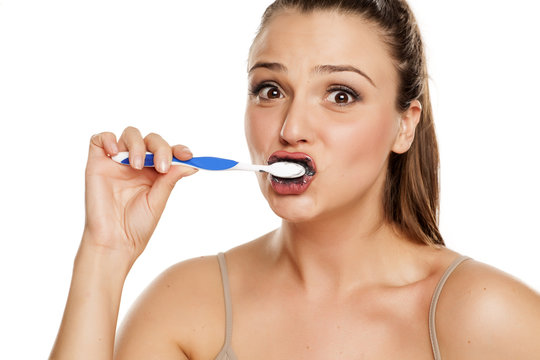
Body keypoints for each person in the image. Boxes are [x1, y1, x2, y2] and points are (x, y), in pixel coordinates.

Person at [50, 0, 540, 359]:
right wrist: (104, 254)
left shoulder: (487, 317)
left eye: (341, 95)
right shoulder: (188, 305)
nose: (290, 128)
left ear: (404, 124)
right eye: (270, 89)